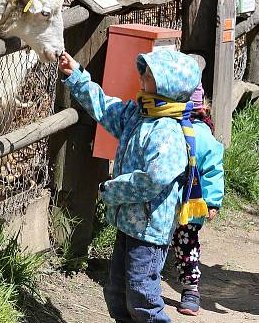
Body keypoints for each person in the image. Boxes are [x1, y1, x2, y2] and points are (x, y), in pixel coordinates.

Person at [58, 48, 201, 323]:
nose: (141, 79)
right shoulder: (139, 114)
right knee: (116, 292)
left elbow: (154, 179)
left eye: (148, 76)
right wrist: (76, 76)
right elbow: (105, 107)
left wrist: (112, 190)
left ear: (167, 86)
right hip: (129, 224)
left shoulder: (167, 132)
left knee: (141, 295)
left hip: (149, 229)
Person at [171, 83, 225, 317]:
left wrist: (212, 201)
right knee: (181, 244)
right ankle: (184, 288)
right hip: (174, 204)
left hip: (188, 203)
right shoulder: (167, 128)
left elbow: (212, 170)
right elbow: (215, 170)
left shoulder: (202, 136)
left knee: (184, 243)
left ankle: (190, 288)